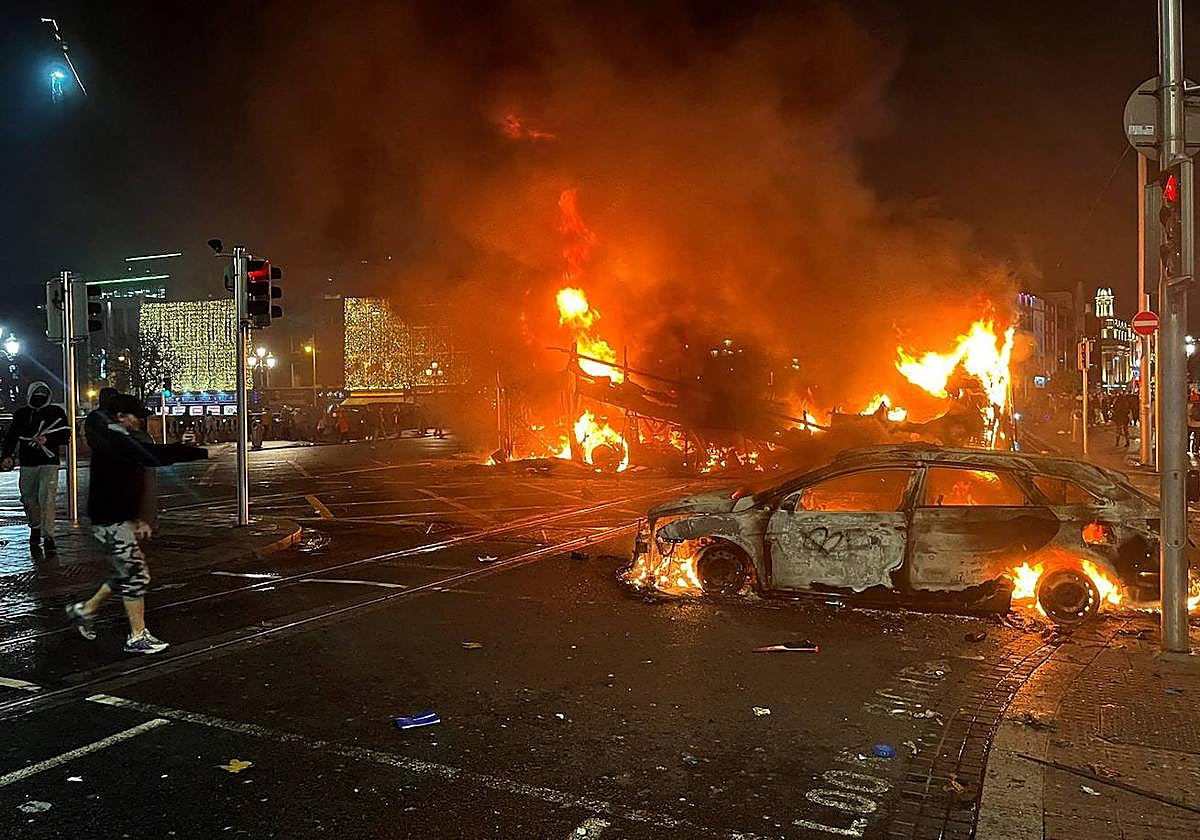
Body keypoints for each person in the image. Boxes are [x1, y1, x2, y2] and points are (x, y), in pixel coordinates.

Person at [65, 394, 207, 654]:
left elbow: (129, 479)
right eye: (135, 416)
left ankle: (84, 610)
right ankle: (137, 636)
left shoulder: (114, 436)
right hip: (110, 520)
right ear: (121, 416)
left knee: (124, 572)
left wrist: (135, 518)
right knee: (136, 575)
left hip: (114, 517)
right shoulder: (116, 440)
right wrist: (194, 451)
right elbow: (152, 456)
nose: (140, 420)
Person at [1, 381, 71, 555]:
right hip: (28, 462)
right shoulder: (22, 414)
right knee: (28, 497)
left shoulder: (56, 412)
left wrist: (48, 440)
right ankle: (35, 526)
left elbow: (65, 434)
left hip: (49, 462)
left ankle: (48, 536)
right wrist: (7, 455)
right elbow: (12, 436)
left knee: (47, 498)